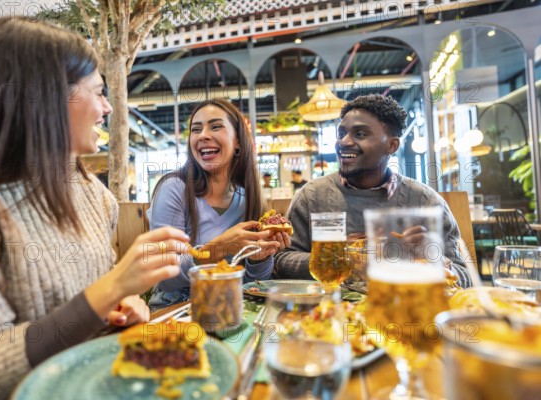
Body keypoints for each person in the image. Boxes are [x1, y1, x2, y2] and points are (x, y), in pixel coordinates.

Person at [0, 17, 189, 399]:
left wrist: (124, 304)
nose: (107, 107)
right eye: (98, 91)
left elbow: (97, 299)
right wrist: (107, 292)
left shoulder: (93, 195)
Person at [274, 94, 472, 288]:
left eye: (360, 134)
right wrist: (336, 257)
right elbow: (280, 260)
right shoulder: (312, 196)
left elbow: (465, 277)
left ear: (391, 145)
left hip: (403, 313)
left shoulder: (425, 201)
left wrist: (432, 259)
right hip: (330, 314)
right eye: (341, 134)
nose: (344, 142)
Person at [148, 99, 291, 308]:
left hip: (230, 310)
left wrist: (259, 258)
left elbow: (252, 284)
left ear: (238, 142)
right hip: (176, 313)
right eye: (196, 130)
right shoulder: (174, 188)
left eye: (216, 126)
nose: (203, 135)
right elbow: (162, 275)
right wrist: (216, 249)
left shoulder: (247, 198)